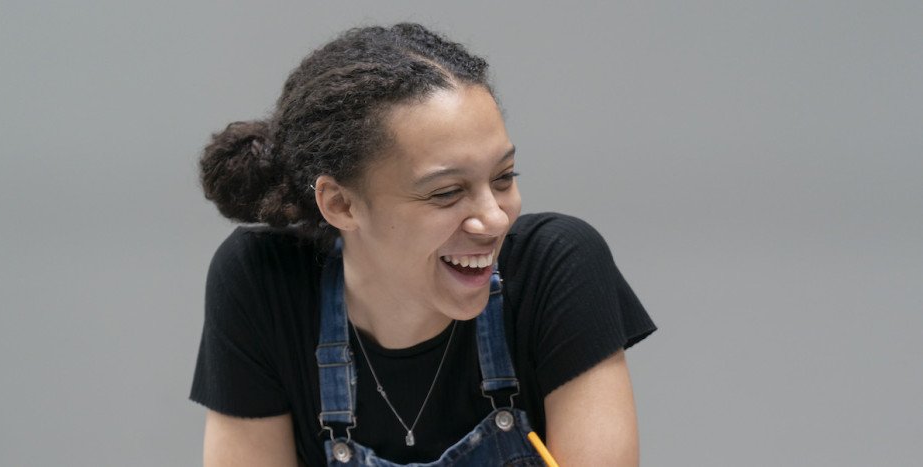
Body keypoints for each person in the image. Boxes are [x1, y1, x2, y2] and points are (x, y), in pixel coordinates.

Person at [190, 23, 656, 466]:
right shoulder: (263, 283)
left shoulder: (558, 266)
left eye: (503, 177)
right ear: (340, 204)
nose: (495, 218)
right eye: (447, 192)